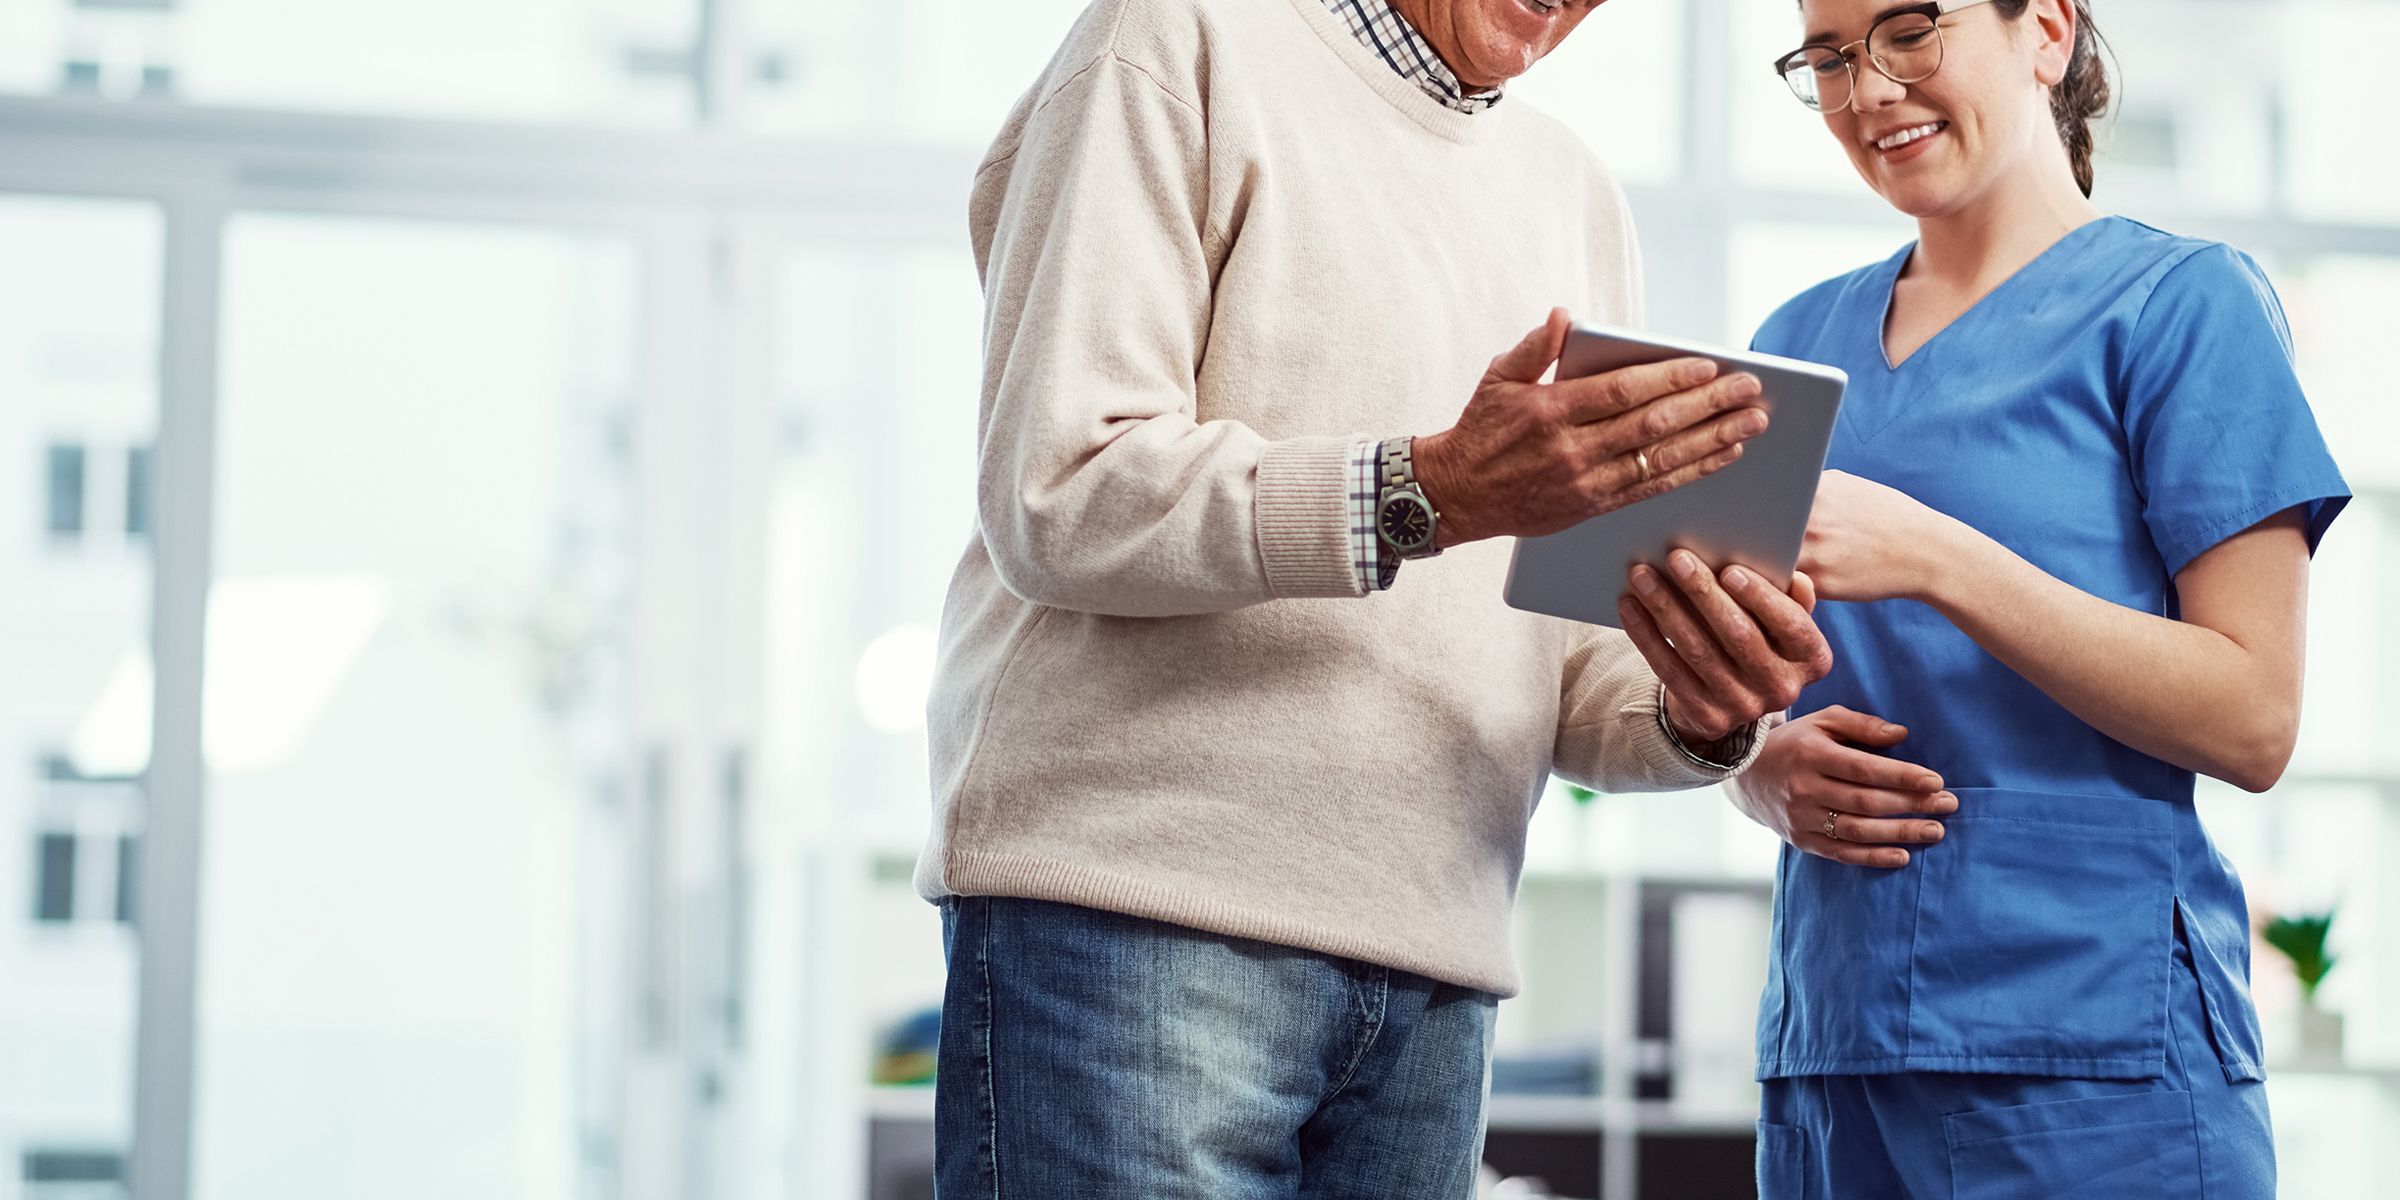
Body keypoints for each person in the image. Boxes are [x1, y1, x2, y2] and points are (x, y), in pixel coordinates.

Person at [914, 0, 1837, 1194]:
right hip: (1137, 937)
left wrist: (1701, 704)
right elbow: (1062, 491)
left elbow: (1561, 679)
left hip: (1434, 981)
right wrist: (1430, 490)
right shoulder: (1174, 42)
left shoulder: (1574, 193)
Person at [1723, 1, 2350, 1195]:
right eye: (1830, 55)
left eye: (1909, 30)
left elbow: (2255, 716)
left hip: (2099, 1071)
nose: (1866, 91)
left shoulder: (2181, 310)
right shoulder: (1794, 345)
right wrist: (1757, 765)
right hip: (1833, 1054)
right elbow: (1744, 676)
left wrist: (1939, 557)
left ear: (2047, 33)